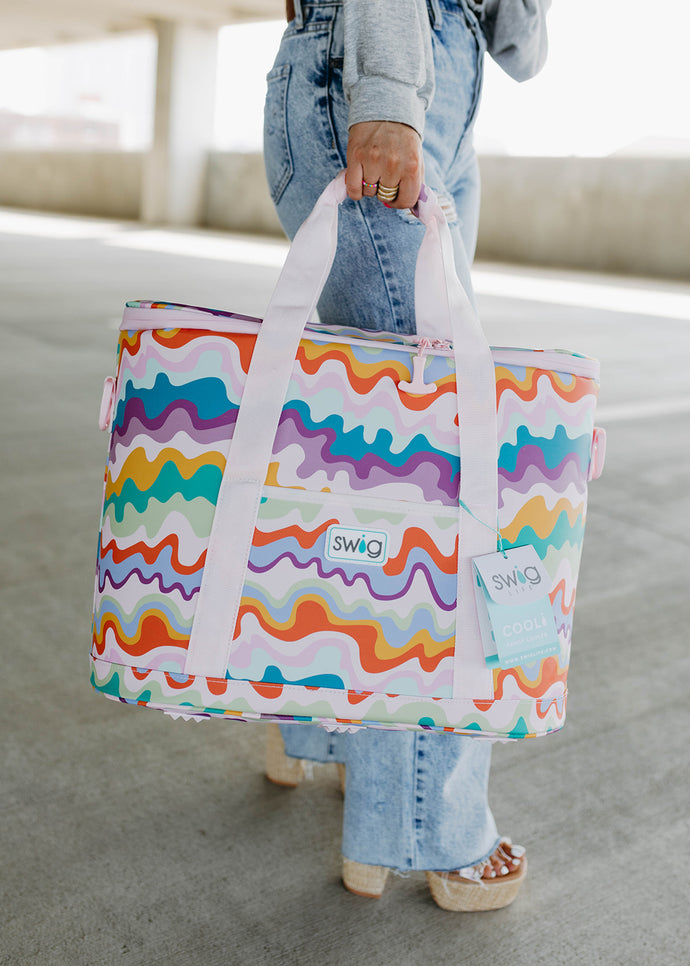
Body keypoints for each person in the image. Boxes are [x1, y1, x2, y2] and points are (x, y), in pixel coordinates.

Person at [262, 0, 550, 911]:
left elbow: (519, 44)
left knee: (364, 459)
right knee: (444, 479)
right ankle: (430, 828)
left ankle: (328, 735)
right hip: (389, 56)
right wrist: (387, 94)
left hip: (425, 70)